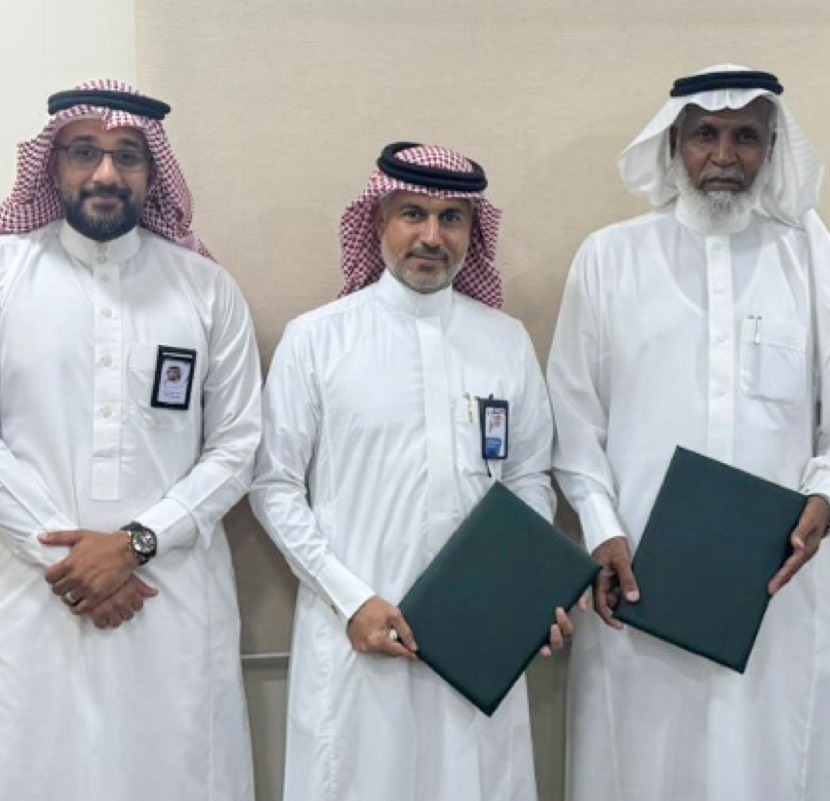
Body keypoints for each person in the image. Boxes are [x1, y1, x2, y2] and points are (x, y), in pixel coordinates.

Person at [549, 65, 830, 801]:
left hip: (778, 581)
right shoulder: (609, 258)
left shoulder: (814, 260)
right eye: (705, 134)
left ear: (772, 148)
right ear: (673, 144)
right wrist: (603, 527)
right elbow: (573, 419)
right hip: (639, 574)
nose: (724, 155)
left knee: (774, 765)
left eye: (746, 137)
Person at [250, 142, 571, 801]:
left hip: (481, 635)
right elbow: (274, 486)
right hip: (358, 634)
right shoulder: (318, 339)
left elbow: (530, 478)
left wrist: (522, 588)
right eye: (413, 214)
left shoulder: (505, 340)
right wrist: (352, 598)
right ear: (378, 221)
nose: (432, 236)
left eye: (452, 218)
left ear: (472, 231)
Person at [0, 80, 261, 800]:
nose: (106, 173)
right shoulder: (6, 276)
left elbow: (239, 445)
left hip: (169, 597)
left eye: (128, 156)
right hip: (33, 596)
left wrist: (135, 544)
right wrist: (67, 559)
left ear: (154, 173)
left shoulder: (207, 289)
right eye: (85, 152)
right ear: (54, 164)